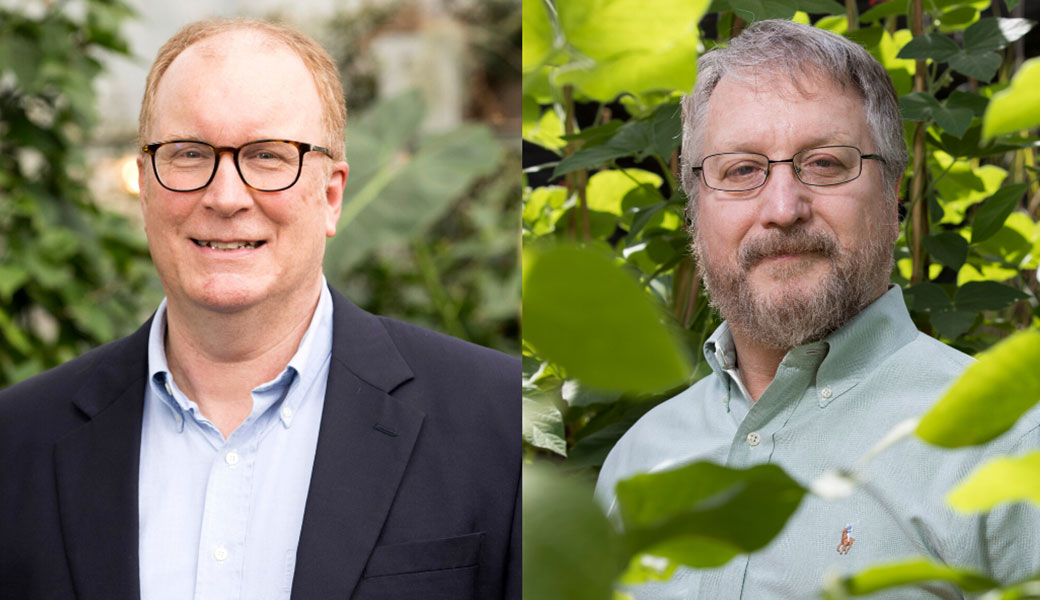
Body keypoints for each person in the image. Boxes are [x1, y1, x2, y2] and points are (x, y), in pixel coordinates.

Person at [0, 18, 518, 600]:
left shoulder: (497, 421)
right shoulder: (17, 440)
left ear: (330, 194)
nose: (225, 196)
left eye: (269, 156)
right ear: (144, 186)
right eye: (190, 153)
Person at [594, 19, 1040, 599]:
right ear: (695, 207)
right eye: (742, 170)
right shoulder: (637, 462)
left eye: (826, 163)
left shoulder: (1010, 445)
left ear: (893, 195)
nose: (783, 208)